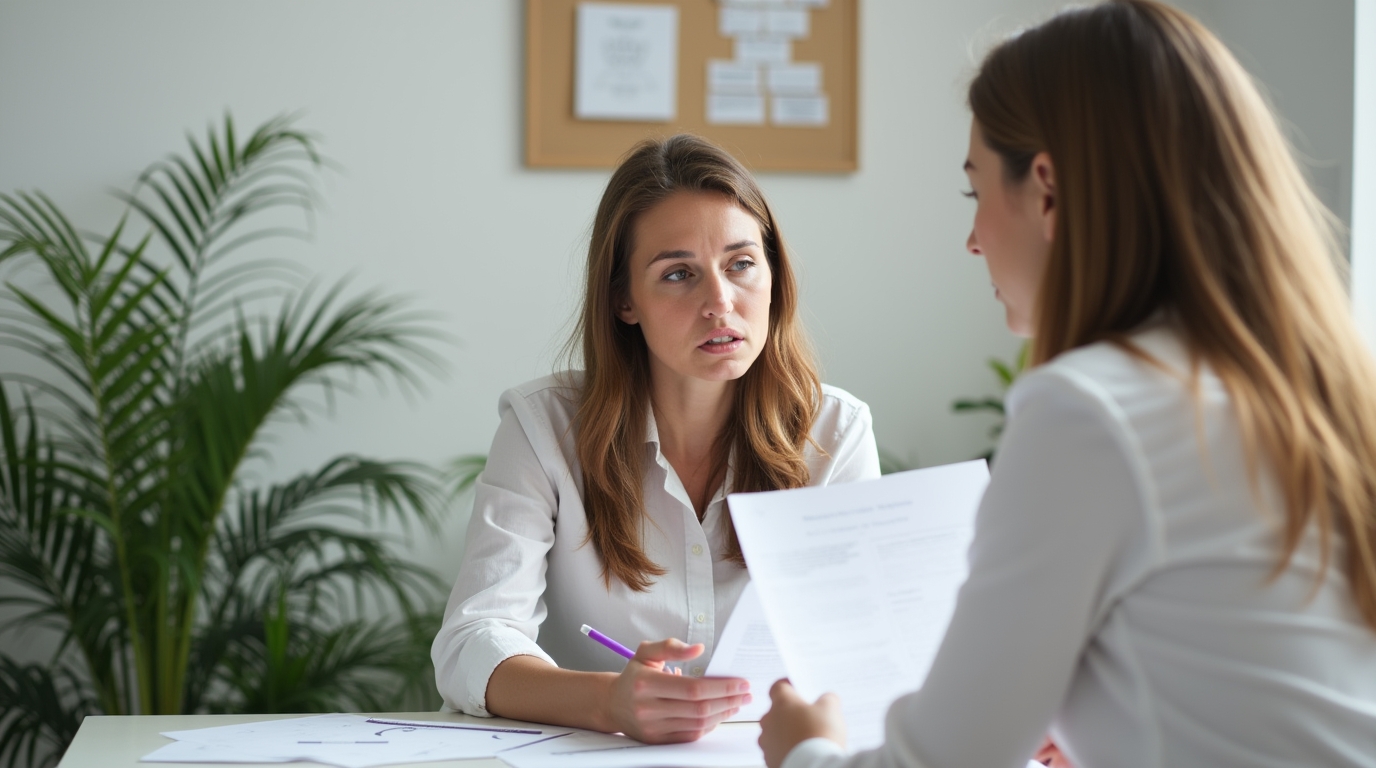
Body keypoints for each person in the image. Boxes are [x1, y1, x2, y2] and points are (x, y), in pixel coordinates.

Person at [758, 2, 1376, 767]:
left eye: (974, 191)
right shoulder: (1317, 385)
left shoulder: (1094, 410)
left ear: (1046, 190)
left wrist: (805, 749)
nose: (974, 237)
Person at [432, 134, 881, 745]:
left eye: (741, 263)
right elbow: (470, 643)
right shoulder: (544, 429)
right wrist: (608, 702)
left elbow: (858, 648)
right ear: (624, 300)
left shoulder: (835, 433)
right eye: (678, 274)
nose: (720, 302)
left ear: (774, 273)